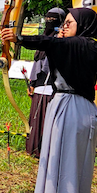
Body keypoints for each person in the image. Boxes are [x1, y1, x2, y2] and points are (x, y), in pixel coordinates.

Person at [1, 8, 97, 193]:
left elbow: (50, 42)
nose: (63, 27)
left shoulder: (84, 44)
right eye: (63, 23)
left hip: (71, 108)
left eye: (69, 23)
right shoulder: (86, 45)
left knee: (64, 168)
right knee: (65, 166)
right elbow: (55, 44)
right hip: (72, 106)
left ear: (83, 25)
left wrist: (18, 38)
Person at [26, 8, 65, 158]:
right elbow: (37, 64)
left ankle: (48, 150)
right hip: (39, 86)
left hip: (54, 87)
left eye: (53, 19)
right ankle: (35, 148)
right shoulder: (43, 39)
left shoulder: (61, 40)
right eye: (47, 19)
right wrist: (32, 83)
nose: (49, 22)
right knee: (37, 119)